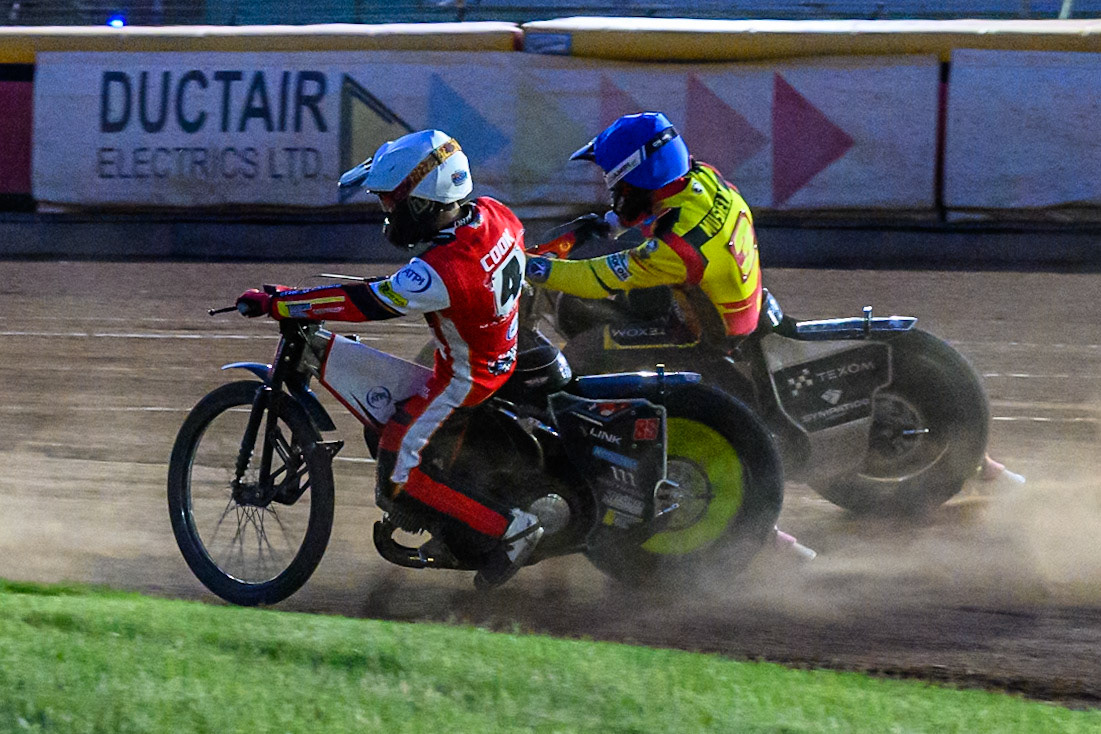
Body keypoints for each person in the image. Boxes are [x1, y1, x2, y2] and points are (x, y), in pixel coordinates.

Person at [236, 129, 541, 589]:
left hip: (466, 379)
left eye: (390, 203)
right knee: (384, 415)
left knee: (398, 470)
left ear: (421, 204)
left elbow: (366, 302)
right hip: (499, 350)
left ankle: (512, 528)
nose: (385, 212)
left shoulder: (443, 271)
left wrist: (282, 303)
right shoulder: (496, 214)